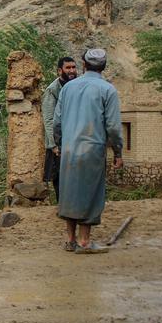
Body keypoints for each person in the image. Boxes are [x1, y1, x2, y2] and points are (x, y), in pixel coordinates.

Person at [53, 48, 123, 254]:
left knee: (69, 193)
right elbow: (113, 127)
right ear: (104, 66)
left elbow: (57, 122)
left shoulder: (68, 88)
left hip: (68, 148)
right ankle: (84, 242)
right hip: (92, 148)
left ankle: (70, 240)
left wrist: (60, 143)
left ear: (84, 65)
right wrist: (118, 152)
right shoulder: (108, 89)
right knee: (91, 194)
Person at [42, 56, 78, 202]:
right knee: (60, 176)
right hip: (60, 141)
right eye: (68, 68)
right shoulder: (52, 90)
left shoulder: (78, 86)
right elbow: (49, 119)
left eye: (73, 67)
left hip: (76, 138)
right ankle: (62, 206)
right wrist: (54, 144)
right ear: (59, 70)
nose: (71, 71)